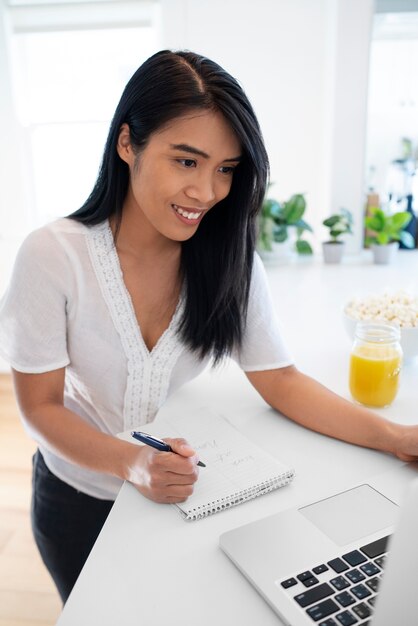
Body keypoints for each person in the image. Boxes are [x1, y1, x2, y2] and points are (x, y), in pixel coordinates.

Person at [1, 49, 418, 605]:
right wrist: (133, 462)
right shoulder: (53, 255)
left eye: (225, 169)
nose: (208, 192)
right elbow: (40, 408)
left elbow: (280, 379)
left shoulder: (228, 257)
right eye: (186, 161)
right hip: (79, 498)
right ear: (127, 143)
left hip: (179, 500)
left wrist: (396, 439)